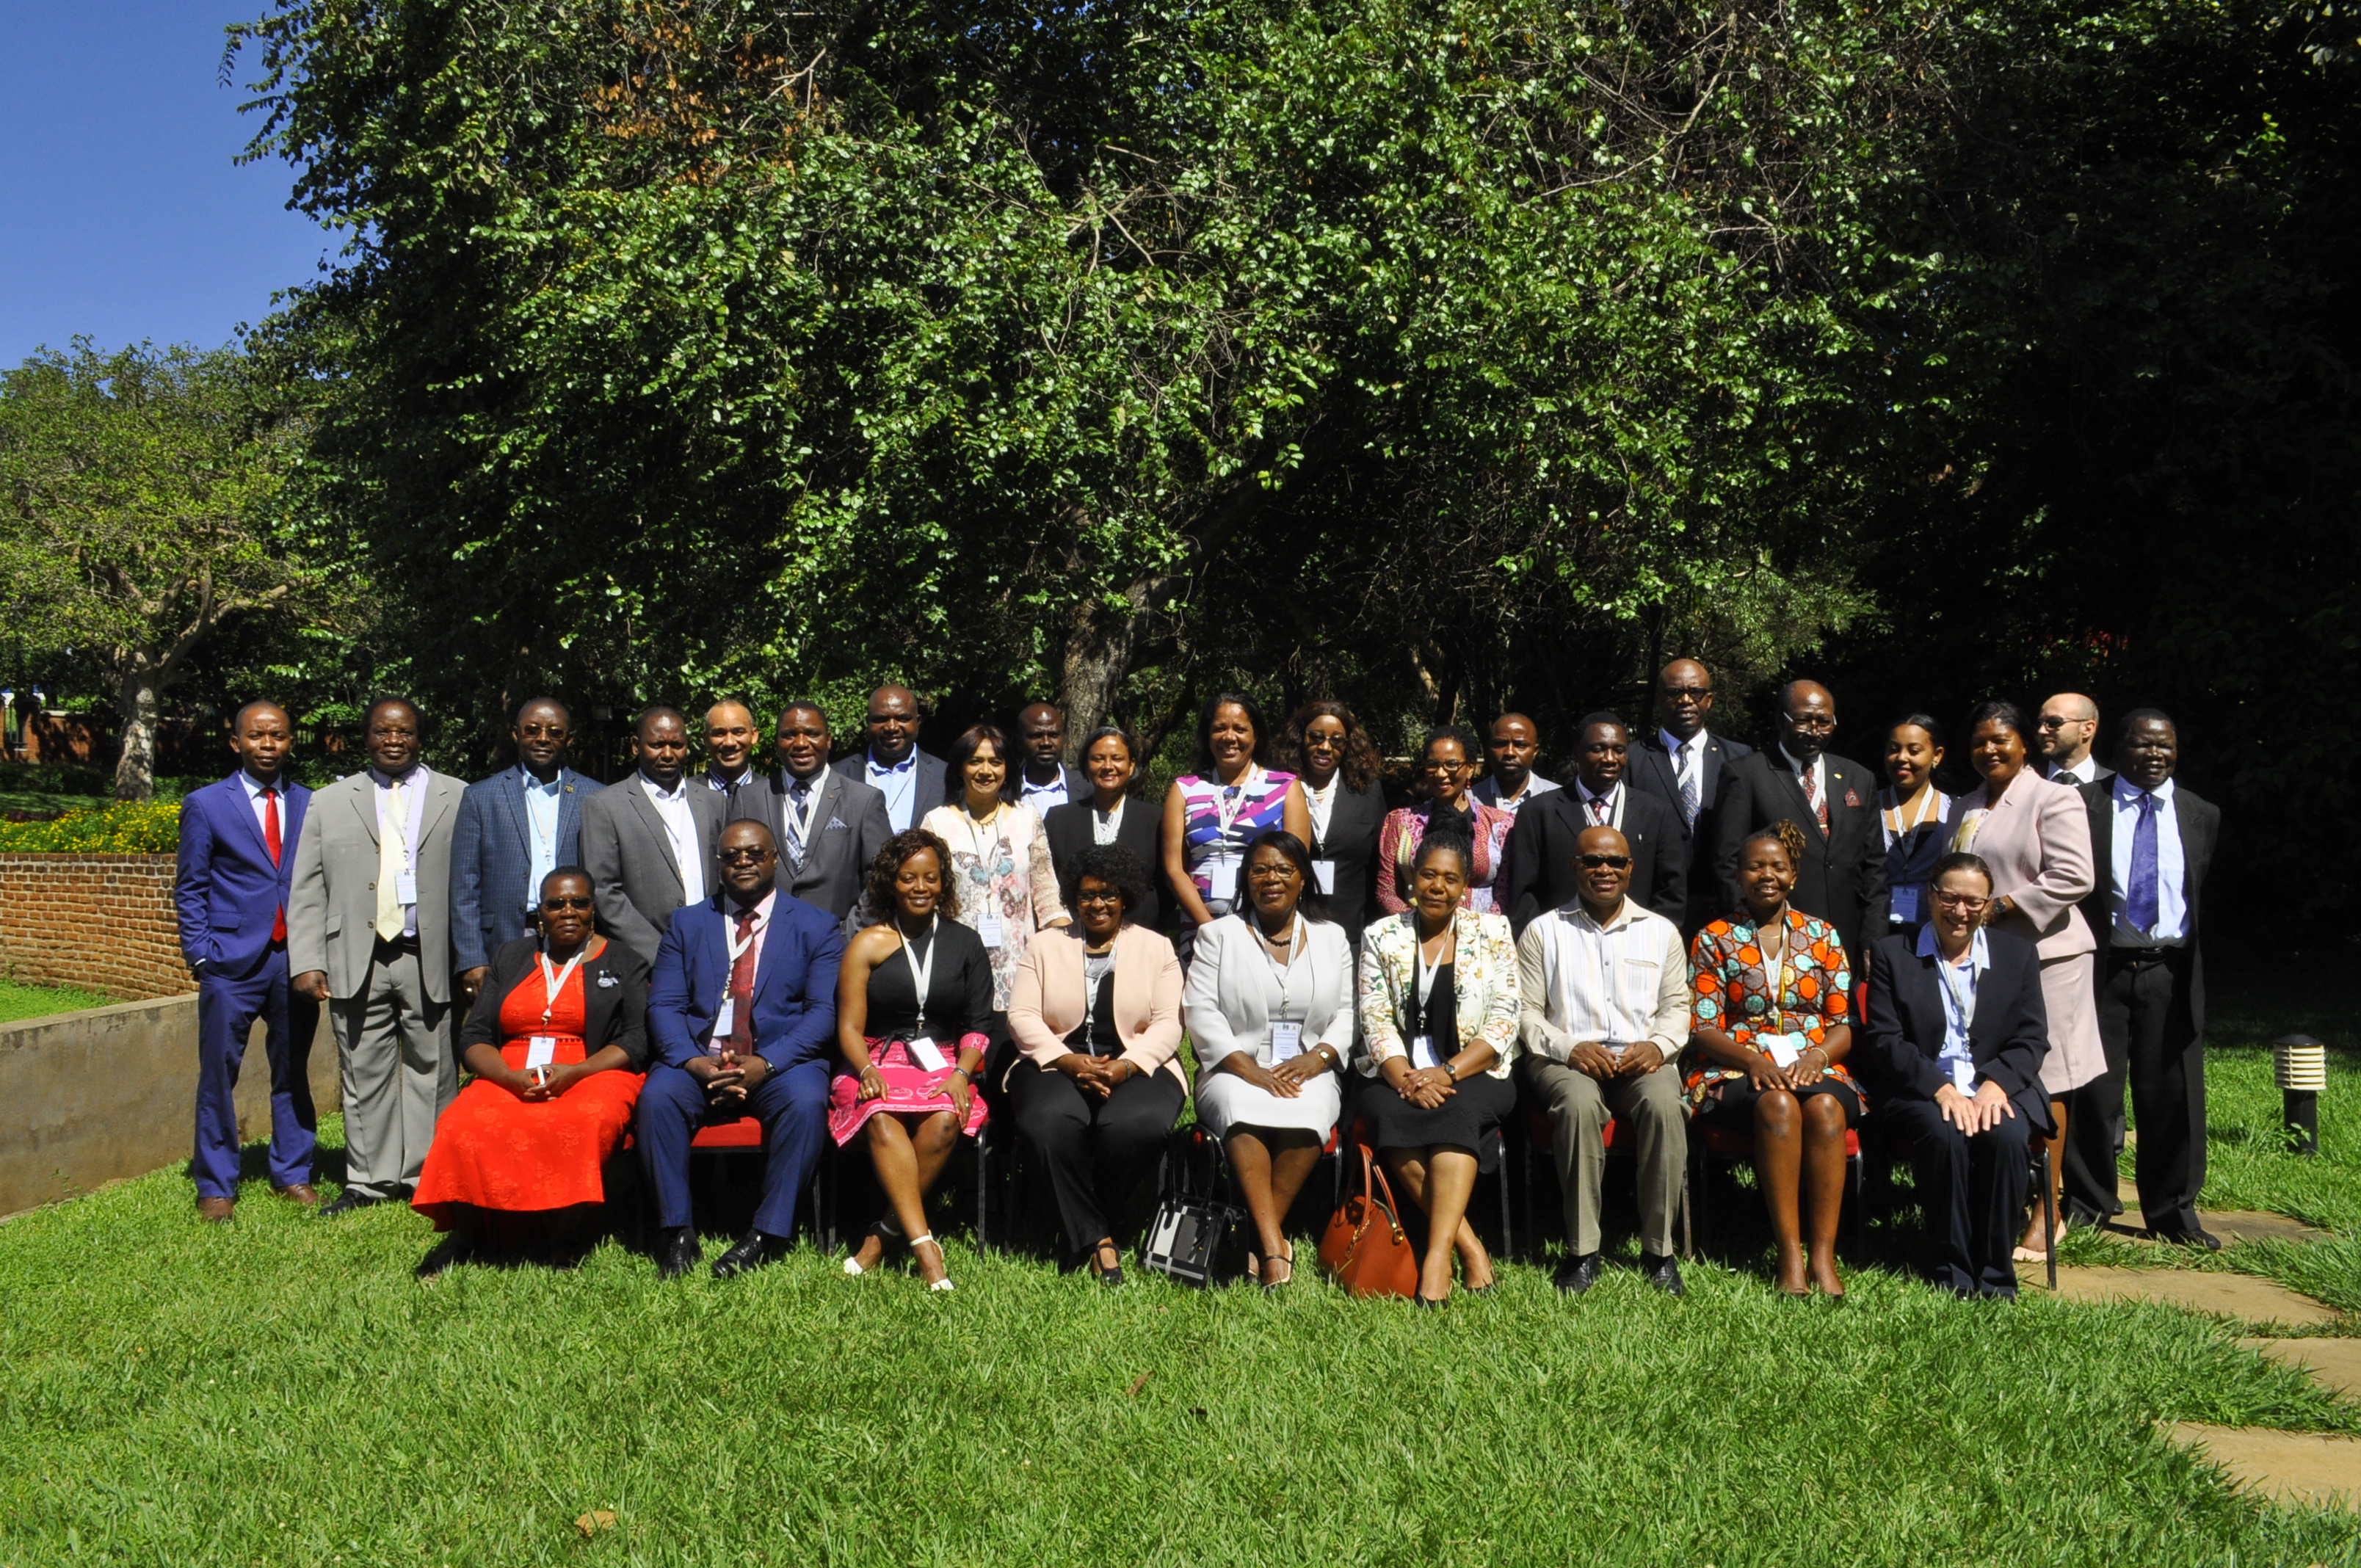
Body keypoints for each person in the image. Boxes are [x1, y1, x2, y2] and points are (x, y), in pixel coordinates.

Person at [410, 867, 649, 1277]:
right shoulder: (511, 956)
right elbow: (475, 1036)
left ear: (594, 909)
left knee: (582, 1120)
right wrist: (507, 1078)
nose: (568, 911)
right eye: (556, 904)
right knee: (461, 1123)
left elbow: (637, 1038)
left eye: (579, 902)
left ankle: (565, 1237)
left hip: (593, 1068)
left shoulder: (625, 961)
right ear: (541, 912)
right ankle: (470, 1236)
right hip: (512, 1068)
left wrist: (575, 1072)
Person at [639, 820, 845, 1279]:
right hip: (701, 1059)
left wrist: (767, 1064)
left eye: (754, 853)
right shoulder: (688, 922)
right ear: (719, 864)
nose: (743, 862)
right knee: (658, 1097)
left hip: (779, 1062)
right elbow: (664, 1005)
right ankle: (677, 1232)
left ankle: (764, 1235)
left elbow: (822, 1014)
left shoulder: (817, 926)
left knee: (807, 1101)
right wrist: (693, 1062)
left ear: (774, 859)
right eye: (732, 856)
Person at [289, 697, 465, 1216]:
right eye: (383, 732)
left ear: (420, 738)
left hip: (426, 953)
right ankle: (368, 1179)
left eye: (405, 732)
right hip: (356, 955)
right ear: (366, 737)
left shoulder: (457, 795)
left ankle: (426, 1173)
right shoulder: (329, 801)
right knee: (362, 1068)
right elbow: (307, 887)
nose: (394, 740)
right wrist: (306, 959)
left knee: (432, 1068)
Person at [1948, 697, 2105, 1262]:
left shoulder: (2053, 797)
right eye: (1979, 741)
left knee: (2051, 1078)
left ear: (2022, 745)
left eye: (2000, 740)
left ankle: (2049, 1211)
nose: (1989, 749)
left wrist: (2004, 906)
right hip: (1986, 964)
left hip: (2048, 957)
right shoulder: (1964, 805)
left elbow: (2075, 875)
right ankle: (2003, 1194)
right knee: (1997, 1072)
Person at [1863, 853, 2053, 1299]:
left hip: (1995, 1087)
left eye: (1973, 902)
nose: (1960, 912)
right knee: (1943, 1134)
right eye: (1950, 898)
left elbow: (2032, 1038)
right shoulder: (1894, 953)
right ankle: (1951, 1271)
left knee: (2006, 1138)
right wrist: (1940, 1088)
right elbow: (1885, 1040)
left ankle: (1996, 1273)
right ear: (1931, 896)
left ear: (1987, 906)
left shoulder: (2018, 956)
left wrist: (1995, 1084)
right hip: (1923, 1089)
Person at [2067, 710, 2221, 1246]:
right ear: (2120, 748)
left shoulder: (2200, 813)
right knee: (2093, 1091)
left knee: (2172, 1093)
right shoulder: (2086, 805)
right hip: (2101, 969)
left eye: (2166, 746)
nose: (2155, 755)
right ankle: (2087, 1204)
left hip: (2170, 971)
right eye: (2143, 745)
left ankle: (2173, 1213)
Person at [1515, 825, 1691, 1296]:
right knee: (1577, 1106)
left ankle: (1659, 1250)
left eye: (1615, 862)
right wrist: (1568, 1048)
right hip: (1565, 1058)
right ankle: (1582, 1251)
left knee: (1665, 1107)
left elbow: (1678, 1007)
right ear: (1575, 867)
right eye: (1592, 861)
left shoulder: (1661, 932)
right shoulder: (1543, 931)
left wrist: (1657, 1046)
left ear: (1631, 868)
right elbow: (1526, 1012)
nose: (1604, 870)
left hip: (1643, 1057)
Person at [1689, 821, 1860, 1299]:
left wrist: (1819, 1054)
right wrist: (1752, 1062)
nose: (1768, 874)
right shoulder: (1714, 937)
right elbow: (1702, 1026)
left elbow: (1844, 1022)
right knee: (1778, 1106)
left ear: (1794, 876)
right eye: (1756, 866)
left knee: (1826, 1109)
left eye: (1778, 866)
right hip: (1735, 1067)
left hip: (1814, 1062)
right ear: (1740, 875)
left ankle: (1823, 1256)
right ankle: (1789, 1257)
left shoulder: (1822, 936)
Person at [1354, 814, 1520, 1305]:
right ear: (1411, 877)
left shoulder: (1492, 931)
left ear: (1465, 886)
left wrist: (1446, 1072)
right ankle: (1469, 1248)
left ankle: (1434, 1258)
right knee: (1387, 1114)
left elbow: (1505, 1018)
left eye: (1450, 878)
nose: (1437, 887)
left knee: (1459, 1113)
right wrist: (1406, 1078)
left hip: (1474, 1069)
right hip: (1398, 1072)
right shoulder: (1382, 935)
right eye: (1428, 874)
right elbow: (1374, 1016)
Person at [1005, 846, 1187, 1283]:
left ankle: (1092, 1219)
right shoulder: (1045, 944)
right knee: (1048, 1121)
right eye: (1087, 896)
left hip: (1138, 1061)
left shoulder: (1156, 947)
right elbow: (1022, 1016)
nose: (1098, 905)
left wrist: (1127, 1066)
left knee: (1137, 1125)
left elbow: (1168, 1024)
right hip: (1056, 1058)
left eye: (1108, 895)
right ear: (1073, 899)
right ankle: (1099, 1238)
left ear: (1125, 897)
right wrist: (1066, 1061)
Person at [1182, 830, 1354, 1291]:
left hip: (1307, 1065)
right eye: (1259, 869)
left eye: (1283, 869)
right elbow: (1200, 1012)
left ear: (1303, 879)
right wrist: (1248, 1068)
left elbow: (1346, 1014)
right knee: (1240, 1109)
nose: (1271, 879)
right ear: (1246, 878)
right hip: (1232, 1066)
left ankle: (1258, 1239)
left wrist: (1318, 1059)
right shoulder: (1217, 935)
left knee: (1312, 1109)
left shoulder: (1331, 937)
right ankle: (1276, 1244)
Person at [830, 830, 993, 1290]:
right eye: (908, 878)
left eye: (931, 878)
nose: (920, 888)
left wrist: (963, 1073)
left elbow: (980, 1024)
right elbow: (848, 1028)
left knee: (946, 1118)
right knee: (879, 1114)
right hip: (875, 1056)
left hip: (944, 1059)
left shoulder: (966, 943)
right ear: (891, 884)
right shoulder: (867, 943)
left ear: (944, 884)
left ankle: (883, 1234)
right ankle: (926, 1250)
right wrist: (865, 1070)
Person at [175, 700, 319, 1220]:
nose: (267, 745)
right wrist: (200, 956)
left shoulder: (311, 804)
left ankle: (293, 1173)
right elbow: (190, 887)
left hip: (295, 961)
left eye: (277, 735)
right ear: (235, 742)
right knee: (218, 1074)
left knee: (293, 1070)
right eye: (256, 736)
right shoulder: (207, 804)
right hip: (230, 964)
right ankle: (216, 1186)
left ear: (290, 741)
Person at [1712, 680, 1887, 960]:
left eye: (1824, 722)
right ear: (1781, 721)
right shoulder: (1746, 775)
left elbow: (1875, 867)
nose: (1815, 731)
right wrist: (1744, 935)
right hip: (1774, 937)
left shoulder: (1858, 778)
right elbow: (1728, 863)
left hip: (1846, 939)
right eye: (1804, 721)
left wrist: (1872, 937)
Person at [451, 697, 603, 1001]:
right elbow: (464, 887)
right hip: (507, 937)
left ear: (569, 739)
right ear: (515, 734)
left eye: (554, 732)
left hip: (576, 936)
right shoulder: (481, 797)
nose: (543, 738)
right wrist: (471, 958)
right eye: (532, 730)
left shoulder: (595, 796)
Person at [921, 725, 1070, 1026]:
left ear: (1007, 769)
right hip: (957, 963)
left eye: (995, 762)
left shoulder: (1027, 817)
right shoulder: (936, 823)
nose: (985, 771)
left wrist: (1067, 947)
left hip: (1020, 965)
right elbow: (927, 899)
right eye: (975, 761)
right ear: (960, 768)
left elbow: (1046, 892)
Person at [1497, 713, 1686, 933]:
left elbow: (1671, 892)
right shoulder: (1538, 812)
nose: (1609, 758)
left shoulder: (1656, 813)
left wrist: (1650, 941)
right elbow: (1524, 894)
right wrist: (1542, 943)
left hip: (1636, 947)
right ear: (1577, 752)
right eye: (1598, 749)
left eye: (1619, 750)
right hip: (1561, 946)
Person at [1161, 692, 1311, 964]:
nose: (1229, 737)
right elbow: (1174, 869)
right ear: (1208, 736)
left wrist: (1256, 925)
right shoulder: (1184, 789)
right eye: (1220, 728)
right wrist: (1209, 928)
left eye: (1240, 729)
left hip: (1267, 929)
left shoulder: (1286, 788)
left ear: (1256, 736)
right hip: (1200, 933)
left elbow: (1295, 865)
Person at [579, 706, 727, 970]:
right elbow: (604, 892)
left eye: (677, 745)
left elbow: (724, 878)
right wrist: (660, 954)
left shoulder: (714, 803)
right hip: (642, 964)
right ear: (636, 746)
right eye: (657, 745)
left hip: (710, 955)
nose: (668, 754)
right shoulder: (605, 806)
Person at [731, 701, 894, 924]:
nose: (800, 743)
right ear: (777, 742)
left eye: (812, 734)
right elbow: (733, 875)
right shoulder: (749, 799)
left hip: (838, 947)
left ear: (828, 740)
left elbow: (881, 878)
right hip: (765, 943)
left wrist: (849, 935)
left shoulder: (863, 800)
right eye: (789, 735)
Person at [1628, 658, 1754, 937]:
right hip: (1653, 909)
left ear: (1709, 700)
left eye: (1695, 693)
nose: (1686, 700)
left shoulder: (1739, 758)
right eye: (1675, 693)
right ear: (1660, 699)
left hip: (1721, 909)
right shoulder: (1633, 758)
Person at [1277, 700, 1388, 950]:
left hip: (1351, 936)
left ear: (1348, 745)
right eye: (1316, 737)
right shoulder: (1277, 790)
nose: (1325, 747)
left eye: (1337, 740)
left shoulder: (1368, 793)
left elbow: (1378, 868)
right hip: (1288, 933)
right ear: (1300, 738)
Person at [1375, 726, 1512, 918]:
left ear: (1470, 769)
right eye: (1433, 764)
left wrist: (1473, 931)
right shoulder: (1400, 822)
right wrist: (1420, 927)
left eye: (1452, 764)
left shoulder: (1501, 826)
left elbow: (1505, 895)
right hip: (1414, 937)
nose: (1440, 773)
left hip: (1481, 939)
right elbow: (1387, 892)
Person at [1041, 725, 1164, 932]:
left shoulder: (1154, 819)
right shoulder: (1059, 819)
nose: (1108, 766)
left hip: (1138, 937)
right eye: (1098, 759)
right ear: (1086, 766)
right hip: (1072, 938)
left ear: (1132, 765)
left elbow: (1164, 888)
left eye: (1117, 758)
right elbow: (1047, 884)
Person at [1877, 714, 1957, 940]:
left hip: (1937, 930)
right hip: (1879, 929)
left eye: (1914, 751)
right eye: (1894, 749)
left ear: (1937, 756)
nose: (1902, 758)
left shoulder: (1954, 810)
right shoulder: (1868, 808)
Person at [860, 684, 949, 833]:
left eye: (902, 718)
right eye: (881, 719)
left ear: (918, 722)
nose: (892, 727)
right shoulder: (839, 775)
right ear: (868, 722)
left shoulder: (946, 776)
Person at [1004, 701, 1089, 812]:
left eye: (1053, 735)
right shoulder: (1003, 790)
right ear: (1019, 742)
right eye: (1036, 735)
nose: (1046, 743)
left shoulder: (1087, 788)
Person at [1472, 712, 1559, 816]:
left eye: (1520, 745)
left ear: (1535, 751)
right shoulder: (1468, 800)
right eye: (1500, 744)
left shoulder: (1559, 799)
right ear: (1489, 748)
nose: (1510, 752)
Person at [2037, 694, 2110, 785]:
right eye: (2040, 723)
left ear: (2087, 729)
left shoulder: (2114, 787)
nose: (2041, 731)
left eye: (2054, 722)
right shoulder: (2024, 784)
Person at [701, 700, 761, 799]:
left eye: (738, 732)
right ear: (706, 739)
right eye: (720, 733)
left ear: (753, 735)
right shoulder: (685, 795)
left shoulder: (775, 795)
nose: (729, 742)